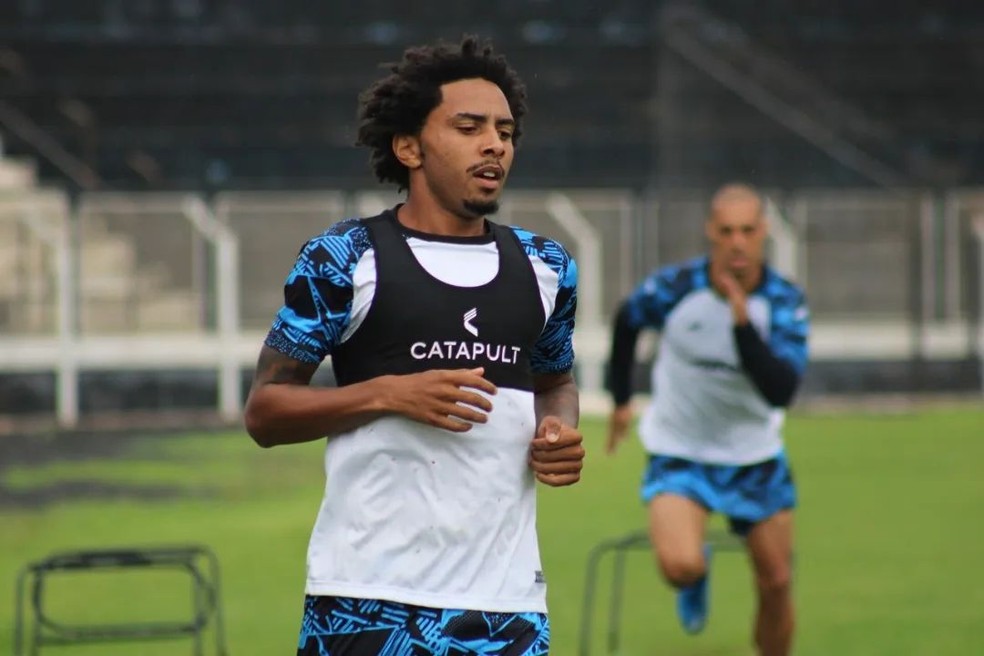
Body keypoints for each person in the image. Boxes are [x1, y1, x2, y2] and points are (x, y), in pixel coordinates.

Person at [244, 35, 584, 656]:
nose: (494, 144)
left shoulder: (547, 266)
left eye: (505, 131)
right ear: (408, 147)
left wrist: (557, 431)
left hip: (507, 608)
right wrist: (388, 395)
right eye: (469, 126)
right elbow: (265, 412)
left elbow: (554, 383)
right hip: (366, 599)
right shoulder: (344, 259)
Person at [605, 183, 809, 656]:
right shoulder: (675, 288)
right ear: (710, 233)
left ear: (763, 233)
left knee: (777, 581)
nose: (737, 242)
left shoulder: (783, 303)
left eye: (747, 231)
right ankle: (697, 572)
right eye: (726, 231)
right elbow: (627, 318)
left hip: (754, 457)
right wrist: (620, 399)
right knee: (680, 567)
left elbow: (782, 390)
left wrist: (742, 326)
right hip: (681, 453)